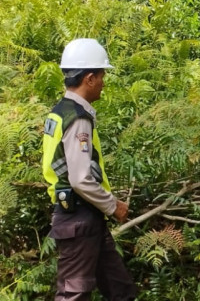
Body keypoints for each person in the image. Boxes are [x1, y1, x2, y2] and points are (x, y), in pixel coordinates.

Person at [41, 38, 137, 300]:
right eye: (102, 75)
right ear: (90, 78)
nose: (104, 83)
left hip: (87, 219)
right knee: (74, 294)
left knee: (120, 290)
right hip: (78, 219)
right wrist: (113, 205)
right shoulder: (78, 119)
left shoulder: (60, 112)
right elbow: (80, 179)